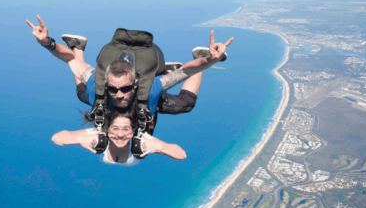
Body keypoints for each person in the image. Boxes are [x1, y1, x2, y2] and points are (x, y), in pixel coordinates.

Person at [26, 15, 233, 126]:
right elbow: (70, 59)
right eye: (113, 89)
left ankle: (186, 60)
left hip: (146, 85)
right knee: (83, 91)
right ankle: (77, 45)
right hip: (131, 88)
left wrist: (207, 60)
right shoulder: (98, 86)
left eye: (124, 89)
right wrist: (48, 43)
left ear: (135, 84)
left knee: (186, 104)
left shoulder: (149, 89)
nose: (118, 95)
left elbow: (186, 72)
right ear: (106, 84)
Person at [51, 110, 186, 165]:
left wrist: (160, 147)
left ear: (133, 132)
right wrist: (78, 139)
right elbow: (57, 138)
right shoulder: (97, 135)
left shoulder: (142, 140)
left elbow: (181, 154)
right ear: (107, 130)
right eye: (115, 129)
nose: (120, 135)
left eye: (126, 129)